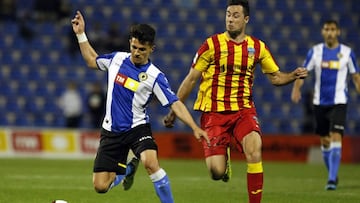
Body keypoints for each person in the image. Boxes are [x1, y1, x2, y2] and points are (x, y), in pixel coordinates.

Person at [163, 1, 308, 203]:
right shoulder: (211, 45)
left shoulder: (257, 47)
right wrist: (173, 111)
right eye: (228, 14)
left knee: (255, 148)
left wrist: (292, 75)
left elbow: (275, 78)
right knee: (216, 171)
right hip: (214, 113)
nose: (230, 19)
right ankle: (225, 158)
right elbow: (191, 79)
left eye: (236, 15)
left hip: (243, 111)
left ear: (246, 19)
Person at [71, 10, 209, 203]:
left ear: (152, 48)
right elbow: (91, 59)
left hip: (137, 128)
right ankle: (128, 169)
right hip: (111, 131)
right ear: (130, 43)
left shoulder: (155, 76)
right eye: (134, 47)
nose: (136, 52)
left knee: (150, 163)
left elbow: (175, 103)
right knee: (100, 186)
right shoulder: (117, 59)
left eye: (142, 49)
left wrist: (194, 127)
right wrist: (80, 34)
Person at [291, 19, 360, 190]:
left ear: (338, 32)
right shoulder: (315, 52)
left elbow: (356, 77)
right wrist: (296, 89)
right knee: (325, 141)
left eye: (333, 29)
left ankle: (330, 179)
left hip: (339, 102)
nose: (330, 32)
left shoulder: (347, 52)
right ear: (323, 32)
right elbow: (303, 72)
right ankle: (333, 174)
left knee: (336, 135)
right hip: (319, 103)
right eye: (326, 29)